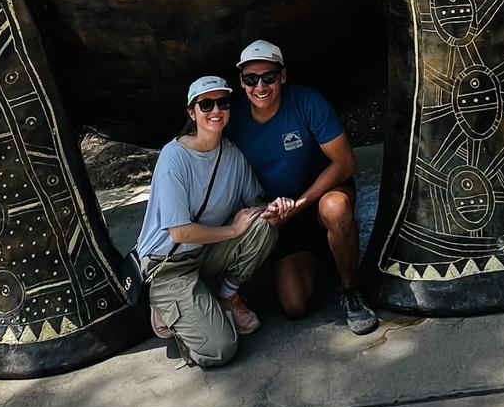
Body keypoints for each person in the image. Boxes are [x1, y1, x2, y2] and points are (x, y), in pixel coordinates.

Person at [227, 39, 380, 335]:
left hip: (318, 198)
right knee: (295, 306)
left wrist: (300, 204)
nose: (260, 86)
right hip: (282, 215)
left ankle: (350, 289)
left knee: (337, 210)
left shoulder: (308, 102)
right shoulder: (233, 119)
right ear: (242, 82)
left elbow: (346, 163)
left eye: (269, 77)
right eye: (251, 79)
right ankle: (325, 254)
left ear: (282, 76)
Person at [134, 75, 278, 368]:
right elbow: (180, 232)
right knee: (220, 349)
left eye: (222, 102)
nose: (216, 110)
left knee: (263, 226)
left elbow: (256, 202)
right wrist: (233, 230)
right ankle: (169, 306)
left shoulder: (233, 156)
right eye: (206, 104)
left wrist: (273, 208)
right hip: (168, 265)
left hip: (204, 255)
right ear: (192, 112)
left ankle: (224, 297)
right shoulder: (174, 157)